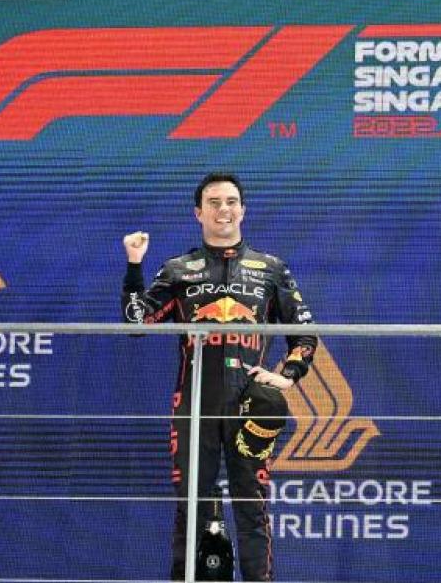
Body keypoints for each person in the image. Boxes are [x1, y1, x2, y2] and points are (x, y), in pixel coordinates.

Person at [122, 172, 317, 581]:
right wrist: (134, 265)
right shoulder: (179, 269)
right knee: (193, 504)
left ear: (243, 209)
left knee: (252, 505)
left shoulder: (271, 268)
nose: (223, 209)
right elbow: (136, 322)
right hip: (194, 400)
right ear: (199, 212)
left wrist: (289, 374)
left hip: (251, 402)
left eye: (231, 201)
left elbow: (304, 330)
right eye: (214, 202)